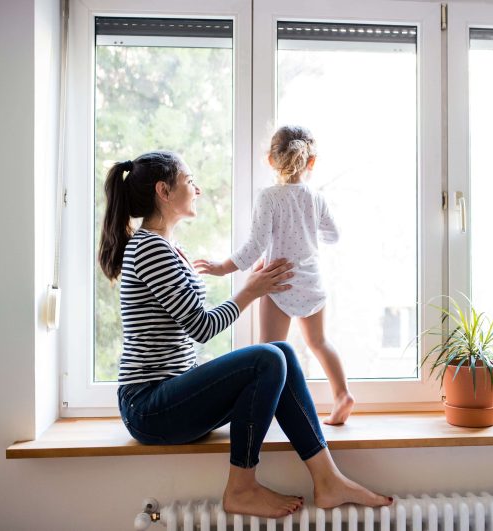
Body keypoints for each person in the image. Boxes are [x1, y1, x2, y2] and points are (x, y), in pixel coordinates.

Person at [98, 150, 391, 519]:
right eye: (190, 181)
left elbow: (189, 320)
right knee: (267, 357)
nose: (198, 188)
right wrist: (250, 290)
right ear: (164, 191)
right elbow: (201, 327)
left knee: (281, 351)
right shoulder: (151, 249)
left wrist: (250, 285)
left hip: (170, 396)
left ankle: (327, 479)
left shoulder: (165, 248)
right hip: (148, 407)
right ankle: (241, 487)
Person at [199, 126, 354, 425]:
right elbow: (333, 236)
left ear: (270, 160)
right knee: (319, 342)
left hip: (277, 282)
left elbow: (255, 246)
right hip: (311, 281)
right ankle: (342, 395)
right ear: (311, 162)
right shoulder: (316, 198)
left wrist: (221, 267)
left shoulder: (268, 198)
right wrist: (307, 230)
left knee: (268, 352)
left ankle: (266, 411)